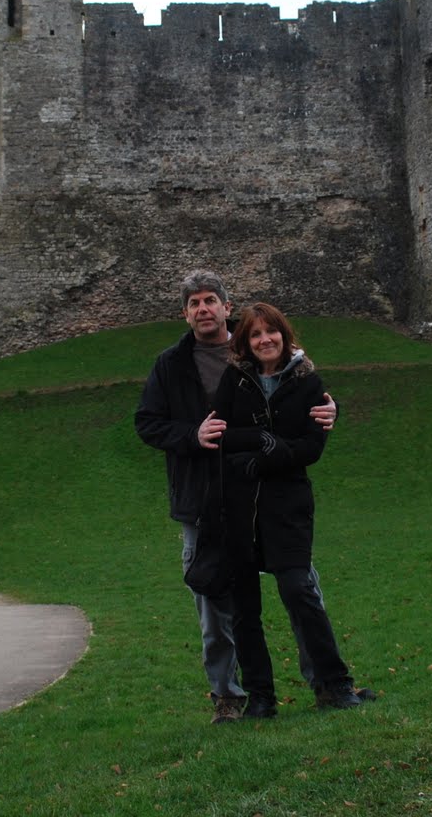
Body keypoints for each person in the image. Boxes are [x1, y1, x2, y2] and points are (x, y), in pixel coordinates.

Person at [135, 271, 337, 723]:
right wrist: (192, 434)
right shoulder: (171, 364)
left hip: (266, 494)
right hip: (202, 499)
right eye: (194, 303)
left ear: (227, 308)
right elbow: (147, 422)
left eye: (210, 301)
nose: (203, 309)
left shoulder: (250, 353)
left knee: (300, 586)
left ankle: (326, 683)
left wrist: (326, 411)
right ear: (185, 314)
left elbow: (291, 395)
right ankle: (230, 696)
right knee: (217, 601)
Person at [212, 301, 375, 715]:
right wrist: (260, 441)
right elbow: (224, 436)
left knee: (299, 590)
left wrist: (267, 452)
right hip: (241, 503)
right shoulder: (236, 380)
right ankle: (262, 698)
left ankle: (334, 685)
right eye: (255, 334)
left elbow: (312, 447)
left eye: (272, 332)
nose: (265, 340)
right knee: (245, 605)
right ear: (246, 342)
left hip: (287, 503)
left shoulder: (307, 382)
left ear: (284, 335)